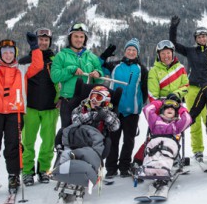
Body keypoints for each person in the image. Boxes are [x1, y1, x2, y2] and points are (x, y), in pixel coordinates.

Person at [0, 32, 43, 197]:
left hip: (15, 112)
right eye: (4, 52)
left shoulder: (22, 69)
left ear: (15, 54)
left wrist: (35, 47)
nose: (8, 55)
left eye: (11, 52)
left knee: (13, 147)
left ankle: (13, 176)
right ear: (0, 54)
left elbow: (38, 65)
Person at [50, 85, 120, 204]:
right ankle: (62, 193)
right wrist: (94, 115)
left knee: (85, 160)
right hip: (76, 140)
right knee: (67, 155)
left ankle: (79, 195)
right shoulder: (80, 108)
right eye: (92, 96)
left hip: (93, 145)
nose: (94, 99)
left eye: (98, 97)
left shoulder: (108, 112)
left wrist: (104, 116)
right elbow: (75, 120)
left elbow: (115, 126)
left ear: (105, 100)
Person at [169, 16, 207, 161]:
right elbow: (173, 44)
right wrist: (173, 28)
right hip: (192, 90)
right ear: (196, 39)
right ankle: (198, 150)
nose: (202, 39)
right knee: (194, 120)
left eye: (204, 36)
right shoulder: (190, 51)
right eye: (199, 37)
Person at [103, 38, 148, 179]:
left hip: (132, 111)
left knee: (128, 140)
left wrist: (139, 105)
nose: (131, 52)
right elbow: (100, 66)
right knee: (113, 140)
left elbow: (145, 89)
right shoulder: (115, 65)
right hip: (115, 110)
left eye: (134, 50)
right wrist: (106, 54)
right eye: (129, 49)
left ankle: (124, 167)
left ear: (137, 53)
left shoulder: (141, 69)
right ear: (125, 51)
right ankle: (110, 168)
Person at [19, 28, 59, 186]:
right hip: (31, 107)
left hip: (51, 106)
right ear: (35, 41)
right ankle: (27, 171)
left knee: (48, 142)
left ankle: (44, 170)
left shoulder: (56, 60)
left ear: (50, 42)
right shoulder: (25, 61)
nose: (43, 42)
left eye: (46, 40)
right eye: (40, 40)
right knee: (28, 141)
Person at [51, 23, 104, 129]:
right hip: (68, 101)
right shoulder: (61, 56)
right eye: (76, 36)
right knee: (67, 132)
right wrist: (71, 70)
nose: (79, 39)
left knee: (85, 134)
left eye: (81, 37)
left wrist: (98, 74)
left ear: (85, 39)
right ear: (70, 38)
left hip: (87, 102)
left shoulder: (92, 57)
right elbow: (54, 76)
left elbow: (100, 80)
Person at [135, 98, 192, 180]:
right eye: (167, 108)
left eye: (172, 109)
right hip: (155, 141)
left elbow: (187, 119)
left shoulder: (176, 124)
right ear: (162, 111)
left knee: (166, 151)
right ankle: (148, 167)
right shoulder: (155, 120)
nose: (170, 109)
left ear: (175, 113)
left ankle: (163, 169)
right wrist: (160, 102)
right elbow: (147, 109)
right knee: (151, 152)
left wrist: (181, 108)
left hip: (170, 143)